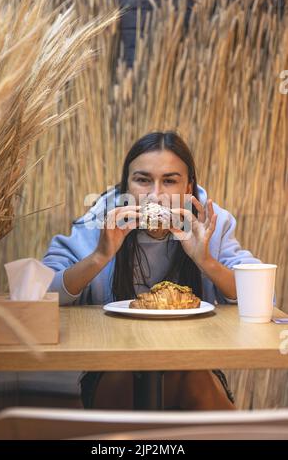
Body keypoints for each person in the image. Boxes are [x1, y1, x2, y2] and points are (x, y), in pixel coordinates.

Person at [42, 131, 261, 410]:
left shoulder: (210, 224)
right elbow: (42, 294)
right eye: (143, 180)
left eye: (169, 181)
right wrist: (100, 256)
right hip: (113, 363)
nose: (155, 196)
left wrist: (206, 261)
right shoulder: (99, 222)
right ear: (126, 186)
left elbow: (260, 295)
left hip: (195, 363)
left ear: (188, 187)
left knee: (188, 375)